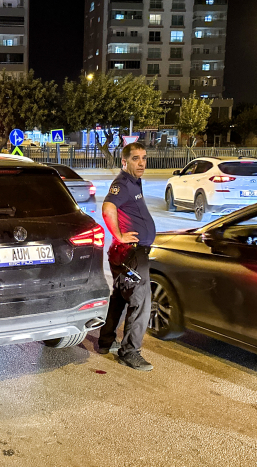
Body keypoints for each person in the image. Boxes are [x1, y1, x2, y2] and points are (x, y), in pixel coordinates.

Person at [98, 142, 156, 371]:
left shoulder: (134, 181)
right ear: (124, 161)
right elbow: (107, 208)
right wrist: (120, 235)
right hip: (131, 253)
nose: (141, 163)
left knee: (121, 296)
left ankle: (105, 341)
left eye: (144, 158)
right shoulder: (123, 184)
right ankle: (130, 352)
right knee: (140, 302)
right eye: (135, 158)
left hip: (125, 253)